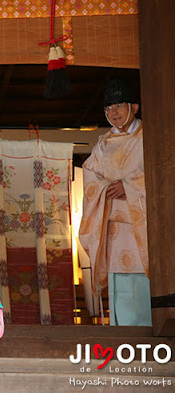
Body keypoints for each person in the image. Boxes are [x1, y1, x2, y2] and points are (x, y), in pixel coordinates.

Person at [78, 78, 151, 326]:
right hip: (112, 225)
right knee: (118, 281)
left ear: (135, 107)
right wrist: (105, 187)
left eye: (119, 105)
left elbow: (162, 172)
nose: (114, 112)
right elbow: (90, 174)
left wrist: (128, 186)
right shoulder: (103, 143)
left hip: (143, 223)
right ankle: (123, 339)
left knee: (144, 279)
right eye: (109, 108)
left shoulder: (149, 138)